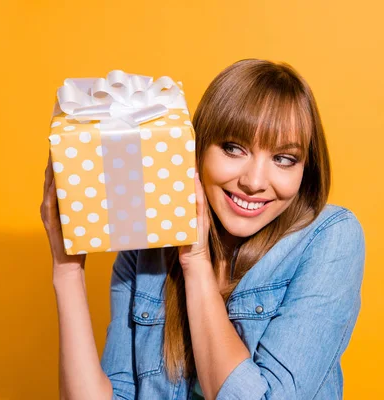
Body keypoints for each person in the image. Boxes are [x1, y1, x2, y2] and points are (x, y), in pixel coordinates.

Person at [41, 58, 366, 400]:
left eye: (283, 159)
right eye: (233, 149)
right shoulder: (146, 249)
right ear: (195, 150)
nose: (254, 182)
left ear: (306, 170)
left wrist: (195, 262)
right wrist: (67, 271)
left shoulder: (331, 238)